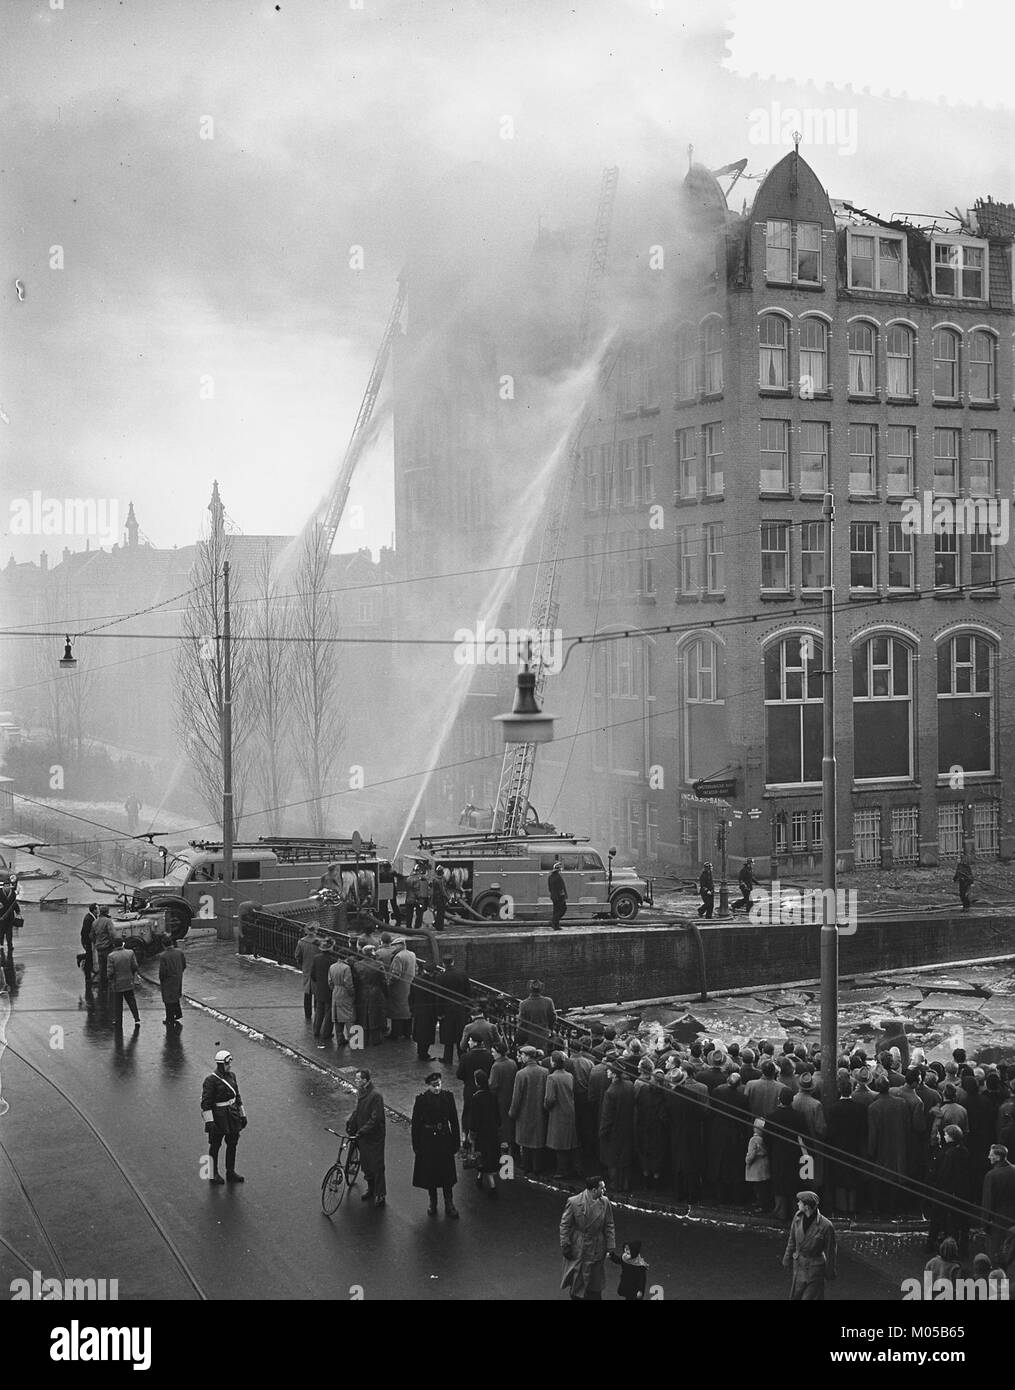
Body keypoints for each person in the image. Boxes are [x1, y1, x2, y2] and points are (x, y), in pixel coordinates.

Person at [410, 1071, 461, 1218]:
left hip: (444, 1140)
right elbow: (416, 1125)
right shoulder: (421, 1100)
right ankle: (433, 1202)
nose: (437, 1088)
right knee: (430, 1174)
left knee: (447, 1174)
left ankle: (449, 1203)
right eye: (434, 1086)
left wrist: (456, 1142)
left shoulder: (448, 1097)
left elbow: (454, 1121)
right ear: (428, 1086)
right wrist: (416, 1145)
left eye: (438, 1084)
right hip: (428, 1142)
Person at [559, 1176, 616, 1301]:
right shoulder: (574, 1202)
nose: (605, 1190)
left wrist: (610, 1246)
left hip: (597, 1247)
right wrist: (565, 1244)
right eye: (602, 1187)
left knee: (595, 1284)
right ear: (594, 1190)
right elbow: (565, 1224)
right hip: (579, 1247)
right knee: (578, 1280)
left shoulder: (605, 1202)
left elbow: (609, 1224)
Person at [201, 1049, 246, 1185]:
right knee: (215, 1145)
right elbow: (206, 1103)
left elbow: (237, 1096)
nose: (230, 1066)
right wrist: (210, 1122)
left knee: (232, 1143)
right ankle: (211, 1173)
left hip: (232, 1115)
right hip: (218, 1117)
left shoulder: (232, 1076)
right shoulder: (211, 1080)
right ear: (221, 1064)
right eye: (227, 1064)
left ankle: (230, 1171)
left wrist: (242, 1114)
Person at [783, 1191, 837, 1300]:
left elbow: (831, 1251)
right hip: (799, 1266)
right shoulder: (797, 1217)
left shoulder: (826, 1226)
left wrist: (829, 1271)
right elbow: (792, 1240)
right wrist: (787, 1258)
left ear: (807, 1206)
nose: (798, 1204)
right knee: (796, 1296)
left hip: (815, 1269)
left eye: (800, 1202)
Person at [347, 1069, 386, 1207]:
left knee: (377, 1165)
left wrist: (362, 1130)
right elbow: (358, 1110)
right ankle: (371, 1188)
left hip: (374, 1137)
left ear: (365, 1080)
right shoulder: (362, 1092)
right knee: (367, 1164)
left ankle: (380, 1193)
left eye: (358, 1079)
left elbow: (376, 1119)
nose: (356, 1081)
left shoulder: (375, 1096)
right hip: (364, 1135)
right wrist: (351, 1122)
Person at [510, 1045, 549, 1174]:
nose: (520, 1057)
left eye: (521, 1055)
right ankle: (538, 1166)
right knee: (537, 1140)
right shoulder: (545, 1072)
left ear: (527, 1057)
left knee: (525, 1142)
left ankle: (527, 1166)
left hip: (524, 1112)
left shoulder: (521, 1074)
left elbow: (517, 1097)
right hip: (540, 1111)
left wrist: (512, 1112)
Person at [599, 1063, 635, 1192]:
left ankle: (615, 1184)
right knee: (625, 1156)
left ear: (614, 1074)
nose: (607, 1072)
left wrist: (603, 1131)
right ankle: (625, 1183)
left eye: (609, 1071)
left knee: (613, 1158)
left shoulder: (610, 1092)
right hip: (627, 1126)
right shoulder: (630, 1086)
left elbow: (607, 1116)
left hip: (614, 1129)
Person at [545, 1051, 578, 1177]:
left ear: (553, 1062)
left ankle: (561, 1170)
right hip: (569, 1110)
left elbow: (550, 1099)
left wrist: (546, 1107)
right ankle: (573, 1167)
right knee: (569, 1140)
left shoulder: (552, 1078)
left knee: (559, 1143)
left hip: (557, 1112)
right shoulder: (569, 1076)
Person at [469, 1070, 502, 1196]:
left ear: (477, 1082)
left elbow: (474, 1119)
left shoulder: (476, 1097)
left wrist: (472, 1134)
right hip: (492, 1133)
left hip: (482, 1135)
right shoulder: (492, 1095)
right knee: (488, 1157)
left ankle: (492, 1187)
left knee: (483, 1159)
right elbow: (498, 1116)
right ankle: (479, 1176)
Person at [981, 1144, 1015, 1265]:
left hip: (998, 1219)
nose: (988, 1156)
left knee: (996, 1253)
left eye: (991, 1154)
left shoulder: (991, 1175)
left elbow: (988, 1202)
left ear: (998, 1157)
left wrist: (985, 1223)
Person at [435, 954, 471, 1065]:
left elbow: (438, 996)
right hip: (461, 1008)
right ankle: (462, 1057)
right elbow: (468, 992)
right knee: (460, 1033)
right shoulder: (462, 974)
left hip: (447, 1010)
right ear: (453, 962)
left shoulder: (441, 977)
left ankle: (447, 1058)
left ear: (443, 964)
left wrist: (439, 1012)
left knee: (448, 1035)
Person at [351, 946, 388, 1047]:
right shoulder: (379, 965)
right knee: (376, 1015)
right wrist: (385, 993)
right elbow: (384, 981)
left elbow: (355, 981)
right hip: (376, 992)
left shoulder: (357, 965)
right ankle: (375, 1039)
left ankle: (362, 1039)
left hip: (361, 992)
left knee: (362, 1015)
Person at [386, 938, 416, 1040]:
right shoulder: (412, 954)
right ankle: (408, 1032)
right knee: (408, 1010)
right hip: (410, 985)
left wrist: (389, 983)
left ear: (400, 945)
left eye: (394, 946)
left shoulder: (398, 957)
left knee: (397, 1011)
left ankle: (396, 1033)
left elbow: (396, 974)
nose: (393, 948)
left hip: (399, 988)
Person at [107, 939, 141, 1028]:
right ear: (122, 944)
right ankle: (136, 1018)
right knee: (131, 1001)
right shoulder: (130, 953)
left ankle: (118, 1020)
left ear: (114, 946)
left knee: (118, 1003)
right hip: (128, 981)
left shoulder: (111, 956)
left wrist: (110, 980)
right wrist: (131, 974)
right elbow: (135, 966)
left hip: (117, 983)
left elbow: (110, 972)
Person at [515, 979, 556, 1053]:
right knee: (544, 1054)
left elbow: (521, 1023)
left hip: (530, 1036)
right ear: (541, 989)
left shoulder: (523, 1004)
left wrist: (520, 1037)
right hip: (545, 1034)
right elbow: (553, 1017)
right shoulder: (548, 1001)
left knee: (532, 1054)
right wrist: (550, 1028)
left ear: (530, 990)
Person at [310, 938, 336, 1046]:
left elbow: (313, 974)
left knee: (319, 1010)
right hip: (329, 989)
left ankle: (316, 1031)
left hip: (319, 988)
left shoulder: (316, 958)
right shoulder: (333, 960)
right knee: (329, 1011)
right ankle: (326, 1033)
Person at [158, 934, 186, 1029]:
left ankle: (169, 1018)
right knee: (176, 995)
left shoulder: (163, 956)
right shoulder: (179, 952)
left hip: (168, 980)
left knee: (168, 999)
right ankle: (178, 1013)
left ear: (163, 945)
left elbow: (162, 971)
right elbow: (184, 965)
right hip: (178, 977)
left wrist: (161, 979)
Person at [329, 949, 356, 1046]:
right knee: (348, 1016)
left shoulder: (332, 966)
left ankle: (340, 1038)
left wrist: (335, 989)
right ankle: (353, 1040)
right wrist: (352, 993)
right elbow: (348, 983)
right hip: (345, 993)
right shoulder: (346, 968)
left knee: (337, 1017)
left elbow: (330, 982)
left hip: (335, 992)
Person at [745, 1118, 772, 1210]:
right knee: (763, 1188)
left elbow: (751, 1154)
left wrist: (747, 1160)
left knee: (758, 1188)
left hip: (756, 1167)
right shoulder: (764, 1139)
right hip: (764, 1165)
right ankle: (765, 1204)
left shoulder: (753, 1140)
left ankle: (760, 1205)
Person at [294, 927, 320, 1021]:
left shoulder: (301, 942)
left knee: (307, 993)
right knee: (317, 993)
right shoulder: (319, 942)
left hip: (306, 969)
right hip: (317, 970)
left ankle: (307, 1014)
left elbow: (297, 956)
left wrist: (302, 965)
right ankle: (318, 1013)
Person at [91, 904, 117, 996]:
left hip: (99, 948)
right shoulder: (108, 921)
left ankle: (102, 989)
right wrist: (114, 944)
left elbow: (92, 936)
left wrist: (97, 943)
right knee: (110, 968)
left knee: (102, 969)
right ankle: (111, 988)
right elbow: (112, 934)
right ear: (107, 912)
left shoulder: (95, 922)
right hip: (108, 948)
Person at [79, 904, 98, 983]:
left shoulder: (91, 917)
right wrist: (90, 941)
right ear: (94, 910)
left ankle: (82, 958)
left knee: (90, 956)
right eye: (97, 909)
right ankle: (88, 976)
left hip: (88, 940)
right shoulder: (88, 919)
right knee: (89, 957)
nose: (98, 911)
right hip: (87, 940)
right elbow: (85, 932)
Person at [548, 860, 567, 932]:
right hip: (559, 896)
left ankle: (555, 924)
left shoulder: (550, 877)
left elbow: (549, 888)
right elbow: (561, 888)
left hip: (553, 896)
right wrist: (563, 897)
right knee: (563, 909)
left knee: (556, 910)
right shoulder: (558, 877)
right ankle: (554, 922)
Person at [431, 865, 448, 933]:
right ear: (442, 872)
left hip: (436, 898)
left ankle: (437, 925)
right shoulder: (440, 880)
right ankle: (440, 927)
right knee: (441, 913)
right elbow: (443, 890)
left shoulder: (435, 879)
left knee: (438, 913)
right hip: (441, 899)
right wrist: (447, 897)